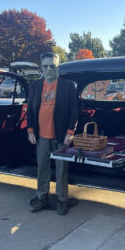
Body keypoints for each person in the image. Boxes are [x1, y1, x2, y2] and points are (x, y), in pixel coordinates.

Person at [27, 52, 78, 215]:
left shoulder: (68, 86)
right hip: (41, 136)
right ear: (41, 68)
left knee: (62, 169)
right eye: (45, 66)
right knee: (42, 167)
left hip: (61, 134)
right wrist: (30, 130)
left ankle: (62, 200)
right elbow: (30, 111)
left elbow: (74, 112)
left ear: (58, 67)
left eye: (52, 66)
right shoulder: (35, 86)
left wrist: (70, 132)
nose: (49, 70)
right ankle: (42, 198)